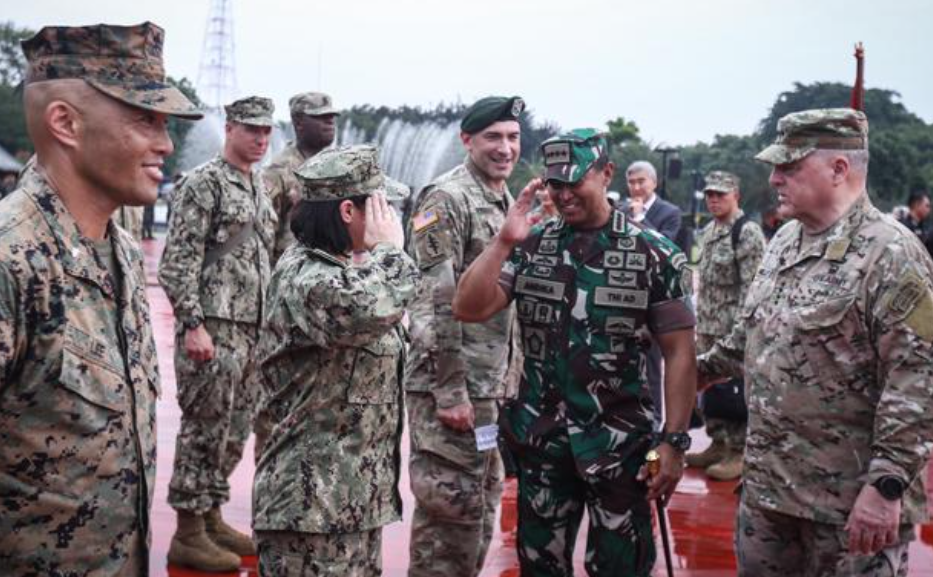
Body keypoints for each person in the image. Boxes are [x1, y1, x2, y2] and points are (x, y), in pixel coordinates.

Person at [0, 21, 201, 574]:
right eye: (144, 120)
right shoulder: (12, 261)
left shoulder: (121, 250)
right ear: (64, 123)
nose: (165, 143)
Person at [699, 108, 933, 576]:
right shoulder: (786, 240)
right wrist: (687, 368)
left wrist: (885, 487)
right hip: (770, 494)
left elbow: (917, 382)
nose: (774, 178)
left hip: (848, 507)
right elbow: (751, 338)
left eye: (788, 166)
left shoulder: (894, 254)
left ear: (839, 169)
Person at [453, 129, 697, 576]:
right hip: (542, 442)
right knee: (540, 566)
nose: (563, 195)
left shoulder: (655, 256)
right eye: (554, 184)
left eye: (574, 181)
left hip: (621, 448)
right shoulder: (532, 245)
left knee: (621, 567)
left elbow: (680, 353)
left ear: (606, 174)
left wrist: (674, 442)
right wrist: (503, 240)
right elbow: (468, 307)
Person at [253, 144, 418, 576]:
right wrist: (391, 252)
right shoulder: (308, 276)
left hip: (350, 504)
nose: (390, 219)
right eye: (381, 207)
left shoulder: (343, 270)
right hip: (310, 510)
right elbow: (371, 308)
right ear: (348, 211)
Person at [405, 95, 524, 577]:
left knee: (479, 507)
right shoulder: (446, 198)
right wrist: (451, 389)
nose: (505, 148)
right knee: (448, 517)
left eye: (513, 137)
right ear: (467, 140)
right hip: (453, 388)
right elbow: (434, 300)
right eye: (493, 137)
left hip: (486, 390)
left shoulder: (504, 199)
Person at [158, 96, 278, 571]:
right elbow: (179, 261)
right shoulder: (204, 184)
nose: (261, 139)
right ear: (230, 129)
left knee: (234, 430)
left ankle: (211, 516)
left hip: (251, 331)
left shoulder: (259, 187)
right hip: (212, 328)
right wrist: (192, 324)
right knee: (203, 428)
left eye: (267, 132)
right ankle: (187, 532)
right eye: (252, 130)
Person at [685, 170, 765, 481]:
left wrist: (742, 333)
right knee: (710, 393)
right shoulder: (709, 231)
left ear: (736, 196)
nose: (714, 200)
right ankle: (717, 442)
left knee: (735, 393)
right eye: (710, 195)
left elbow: (753, 289)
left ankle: (738, 451)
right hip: (707, 327)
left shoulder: (746, 233)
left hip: (733, 332)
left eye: (721, 194)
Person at [625, 160, 684, 427]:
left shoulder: (669, 212)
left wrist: (640, 219)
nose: (636, 187)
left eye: (641, 181)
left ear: (654, 182)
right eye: (631, 182)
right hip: (625, 298)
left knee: (652, 369)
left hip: (656, 302)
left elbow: (665, 249)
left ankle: (656, 426)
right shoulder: (619, 211)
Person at [263, 91, 340, 263]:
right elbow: (264, 237)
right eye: (321, 116)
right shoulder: (278, 172)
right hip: (291, 279)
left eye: (332, 116)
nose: (330, 121)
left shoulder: (338, 168)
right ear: (298, 123)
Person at [897, 190, 931, 256]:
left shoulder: (924, 228)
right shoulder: (902, 226)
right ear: (916, 204)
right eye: (927, 206)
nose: (929, 209)